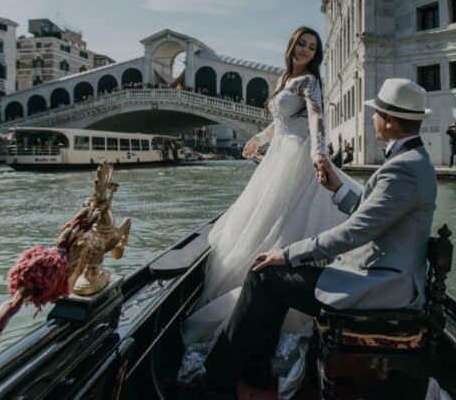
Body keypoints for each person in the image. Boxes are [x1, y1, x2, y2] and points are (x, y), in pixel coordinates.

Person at [192, 78, 437, 398]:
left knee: (264, 274)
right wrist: (337, 188)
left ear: (389, 121)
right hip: (382, 275)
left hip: (380, 287)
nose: (373, 119)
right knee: (268, 274)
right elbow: (372, 213)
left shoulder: (404, 168)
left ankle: (221, 384)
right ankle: (254, 375)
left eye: (376, 114)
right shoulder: (411, 162)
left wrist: (289, 253)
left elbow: (355, 231)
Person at [180, 27, 360, 385]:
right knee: (262, 220)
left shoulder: (309, 81)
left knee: (284, 222)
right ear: (292, 45)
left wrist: (319, 154)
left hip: (297, 159)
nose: (307, 50)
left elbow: (316, 119)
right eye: (303, 44)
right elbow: (280, 123)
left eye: (313, 47)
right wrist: (259, 137)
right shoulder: (283, 78)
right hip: (279, 155)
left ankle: (272, 307)